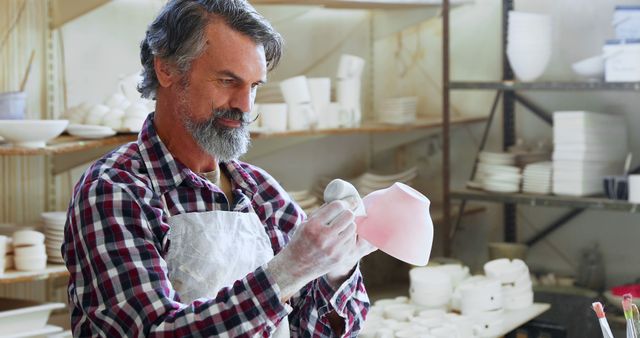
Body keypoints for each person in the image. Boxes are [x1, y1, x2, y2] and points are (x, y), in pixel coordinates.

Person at [62, 0, 376, 337]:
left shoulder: (260, 192)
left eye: (254, 86)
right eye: (227, 81)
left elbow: (314, 332)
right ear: (167, 69)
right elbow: (155, 331)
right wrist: (283, 275)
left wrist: (336, 269)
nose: (244, 105)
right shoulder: (115, 190)